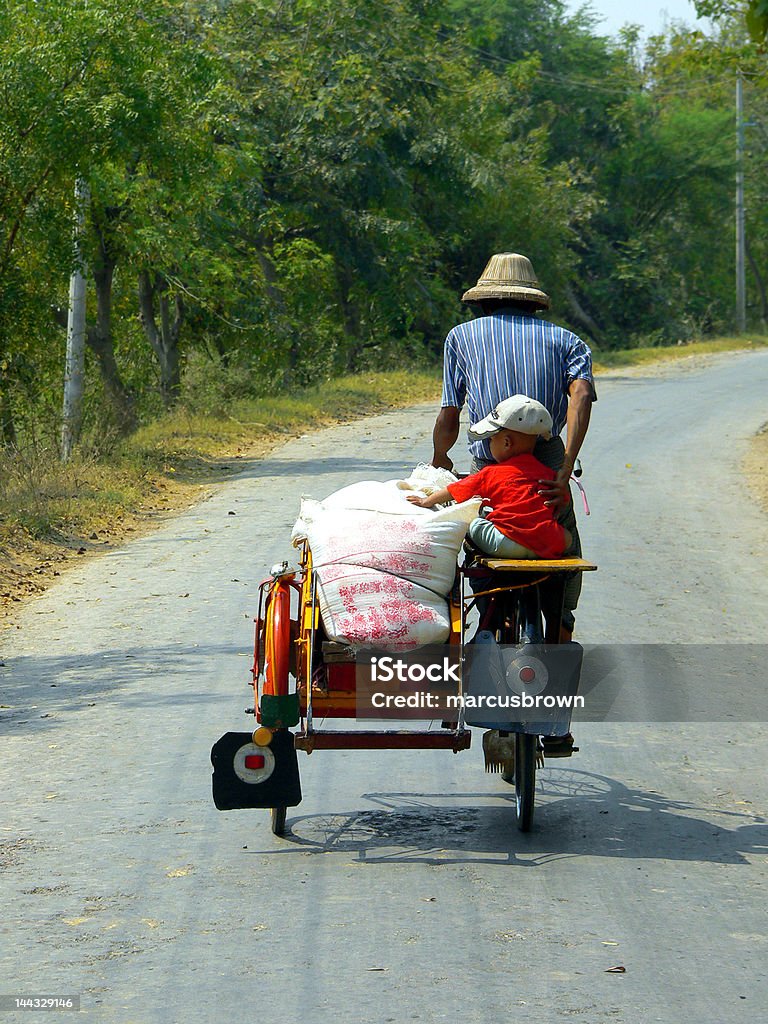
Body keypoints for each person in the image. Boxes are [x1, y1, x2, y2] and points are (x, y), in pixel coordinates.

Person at [430, 251, 596, 638]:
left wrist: (440, 460)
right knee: (566, 551)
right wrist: (566, 466)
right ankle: (562, 625)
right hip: (548, 468)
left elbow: (450, 413)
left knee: (474, 537)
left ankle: (489, 614)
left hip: (490, 465)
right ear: (533, 301)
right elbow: (582, 396)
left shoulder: (461, 337)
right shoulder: (568, 341)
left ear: (483, 300)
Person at [407, 395, 571, 559]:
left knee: (473, 523)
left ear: (506, 443)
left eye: (491, 440)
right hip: (544, 545)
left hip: (504, 543)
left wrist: (426, 501)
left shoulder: (491, 473)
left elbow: (455, 490)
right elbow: (561, 501)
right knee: (567, 537)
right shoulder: (548, 474)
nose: (490, 444)